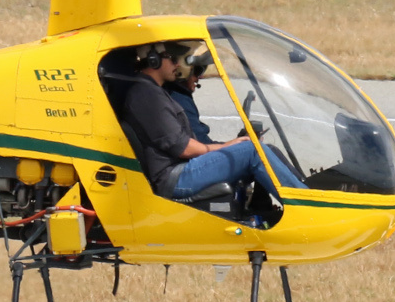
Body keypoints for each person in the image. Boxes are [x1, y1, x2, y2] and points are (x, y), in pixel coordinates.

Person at [121, 42, 297, 201]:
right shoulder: (146, 95)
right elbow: (184, 148)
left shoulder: (153, 91)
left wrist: (233, 145)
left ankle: (307, 193)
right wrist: (228, 146)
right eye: (172, 59)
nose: (177, 64)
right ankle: (306, 207)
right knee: (253, 151)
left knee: (263, 149)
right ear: (153, 61)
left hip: (181, 168)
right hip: (175, 177)